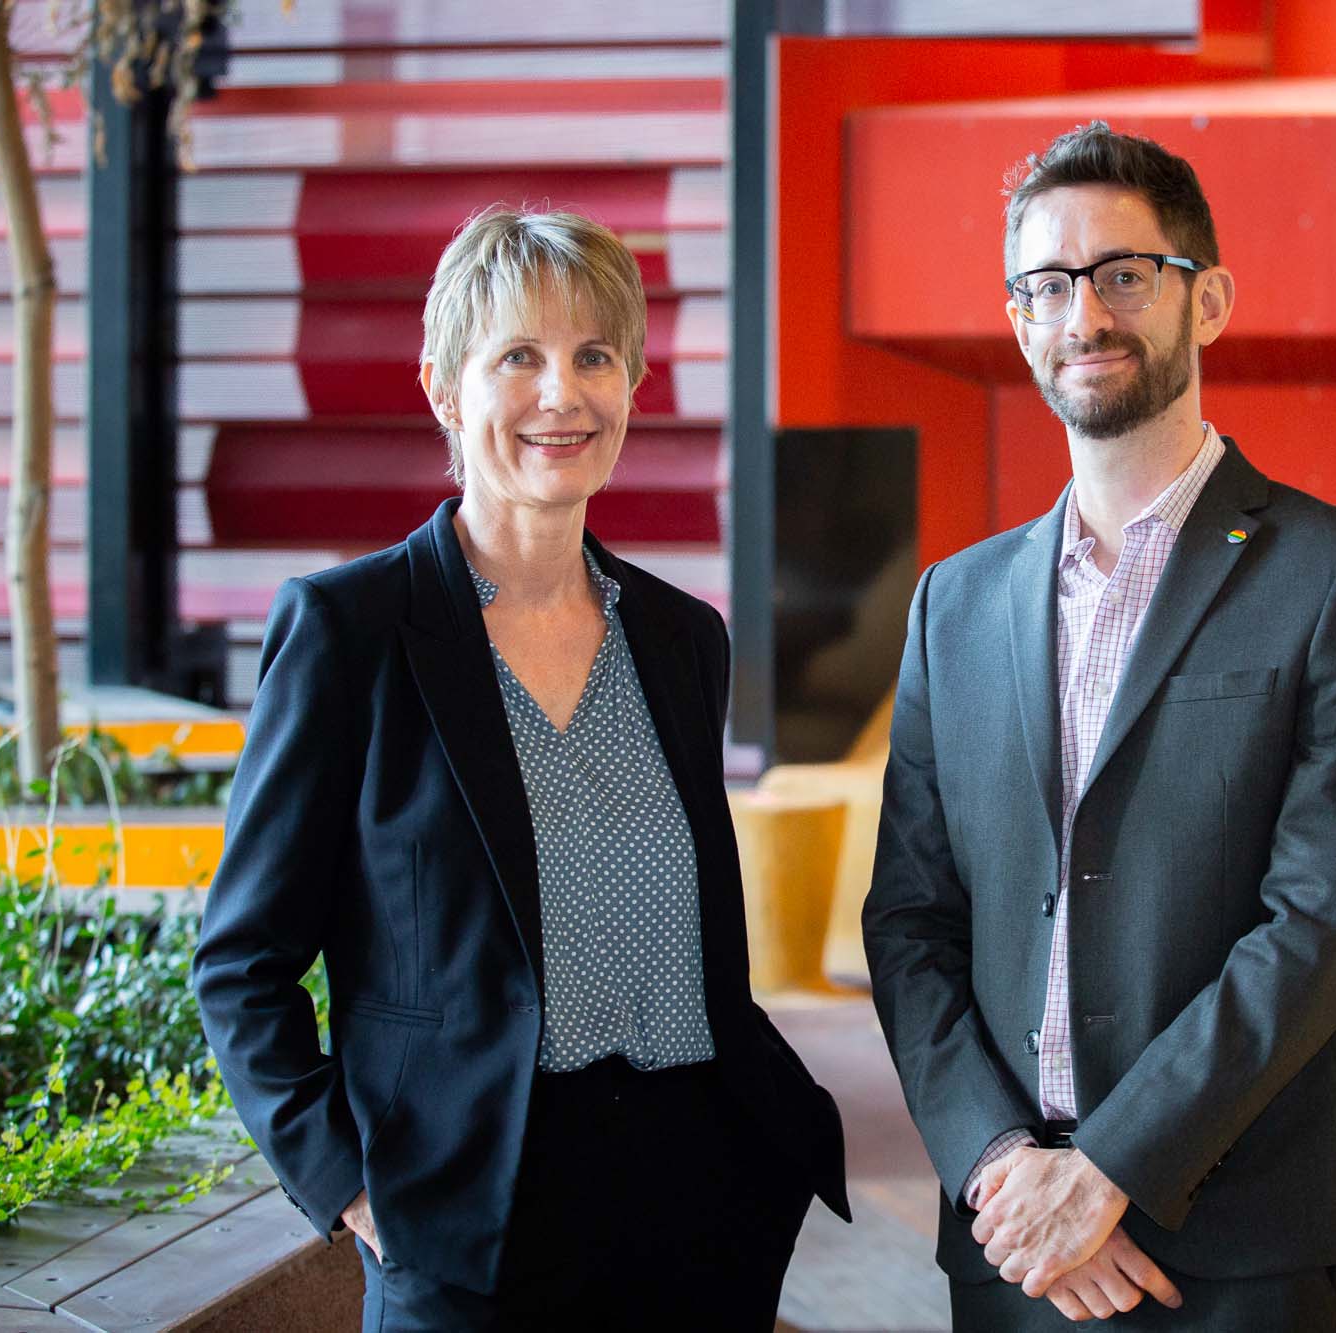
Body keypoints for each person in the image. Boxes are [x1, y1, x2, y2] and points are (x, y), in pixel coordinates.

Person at [193, 206, 849, 1332]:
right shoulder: (351, 630)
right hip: (468, 1215)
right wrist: (350, 1187)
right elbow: (241, 962)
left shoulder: (683, 637)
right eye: (518, 358)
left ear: (633, 385)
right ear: (446, 389)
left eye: (595, 355)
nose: (563, 394)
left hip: (695, 1203)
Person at [863, 121, 1336, 1331]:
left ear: (1207, 299)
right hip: (1011, 1239)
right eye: (1049, 285)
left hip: (1238, 1243)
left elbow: (1320, 923)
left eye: (1125, 274)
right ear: (1017, 318)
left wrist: (1109, 1169)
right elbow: (910, 921)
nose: (1086, 316)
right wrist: (1002, 1169)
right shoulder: (949, 606)